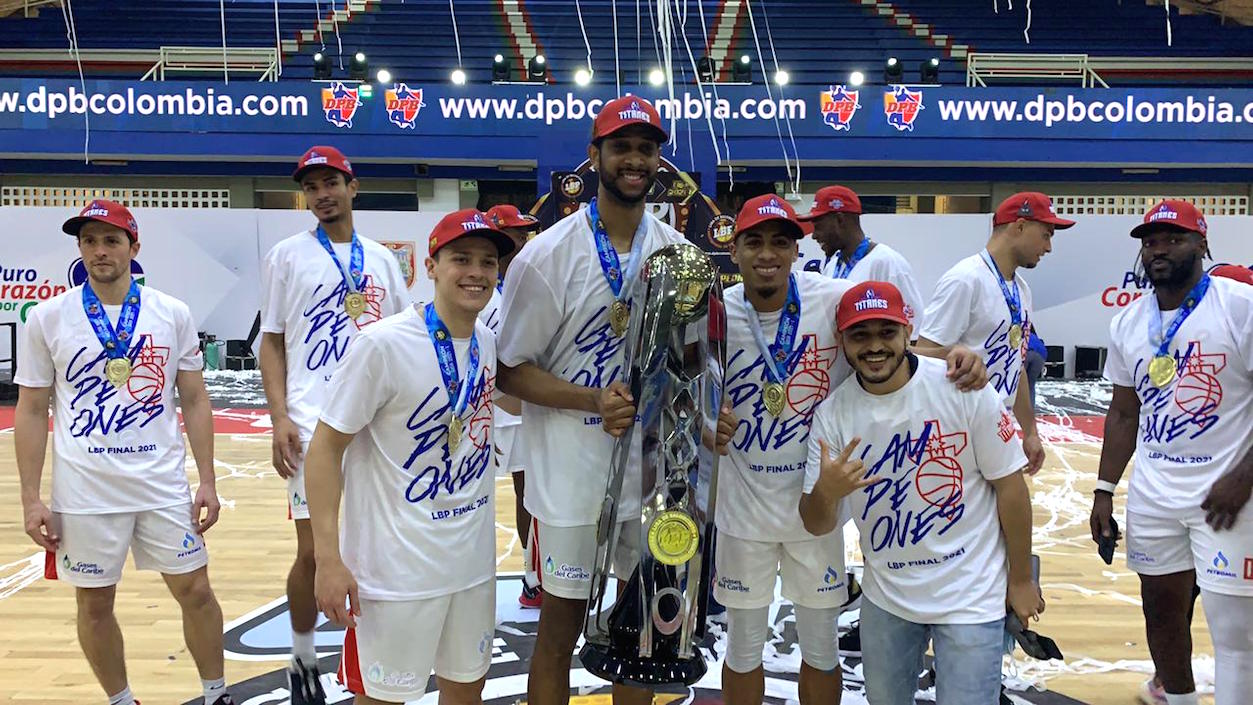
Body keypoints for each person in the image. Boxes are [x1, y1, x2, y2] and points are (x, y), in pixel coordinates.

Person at [717, 196, 989, 705]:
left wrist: (956, 354)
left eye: (781, 241)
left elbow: (888, 339)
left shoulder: (833, 298)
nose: (767, 253)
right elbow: (685, 386)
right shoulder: (715, 313)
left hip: (818, 508)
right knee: (743, 648)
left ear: (798, 249)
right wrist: (704, 424)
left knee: (821, 651)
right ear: (735, 251)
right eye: (754, 241)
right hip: (742, 510)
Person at [496, 95, 685, 705]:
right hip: (571, 477)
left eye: (646, 148)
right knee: (560, 628)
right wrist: (590, 399)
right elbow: (508, 371)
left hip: (649, 476)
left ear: (659, 161)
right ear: (594, 155)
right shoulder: (546, 255)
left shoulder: (675, 257)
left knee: (643, 635)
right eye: (621, 147)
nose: (635, 159)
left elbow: (684, 365)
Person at [16, 200, 233, 705]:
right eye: (89, 241)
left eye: (111, 240)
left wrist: (207, 480)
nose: (99, 251)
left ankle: (217, 693)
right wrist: (31, 498)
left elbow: (196, 400)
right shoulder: (48, 317)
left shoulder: (171, 312)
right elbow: (29, 411)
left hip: (159, 484)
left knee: (196, 593)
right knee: (94, 605)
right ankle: (120, 700)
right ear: (79, 249)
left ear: (134, 248)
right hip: (85, 489)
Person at [800, 281, 1043, 705]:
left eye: (886, 332)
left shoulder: (961, 387)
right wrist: (827, 491)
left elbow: (1010, 487)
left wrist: (1020, 579)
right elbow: (816, 522)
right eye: (860, 335)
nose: (874, 346)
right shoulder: (833, 415)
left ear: (907, 330)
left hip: (971, 591)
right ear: (841, 341)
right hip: (888, 595)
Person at [306, 209, 513, 705]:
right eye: (461, 258)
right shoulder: (382, 344)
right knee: (381, 698)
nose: (476, 273)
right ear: (431, 264)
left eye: (488, 262)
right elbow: (324, 449)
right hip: (394, 575)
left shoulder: (486, 342)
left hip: (470, 567)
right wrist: (328, 560)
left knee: (467, 690)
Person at [258, 145, 412, 704]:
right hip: (312, 424)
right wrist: (279, 418)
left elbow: (403, 342)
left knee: (376, 545)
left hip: (376, 427)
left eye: (331, 183)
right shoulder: (286, 256)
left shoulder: (383, 259)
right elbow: (271, 341)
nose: (322, 194)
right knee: (314, 552)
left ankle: (377, 652)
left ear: (353, 187)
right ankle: (302, 659)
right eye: (312, 186)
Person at [1090, 200, 1253, 705]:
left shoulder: (1238, 305)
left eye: (1173, 238)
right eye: (1150, 240)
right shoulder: (1129, 323)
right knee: (1160, 614)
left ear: (1202, 244)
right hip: (1155, 495)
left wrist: (1244, 478)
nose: (1158, 249)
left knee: (1235, 635)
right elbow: (1122, 413)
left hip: (1229, 495)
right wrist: (1103, 491)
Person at [918, 191, 1075, 475]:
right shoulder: (965, 279)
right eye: (1046, 234)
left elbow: (1018, 367)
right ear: (1019, 226)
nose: (1049, 247)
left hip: (997, 425)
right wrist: (960, 356)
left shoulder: (1022, 290)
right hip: (956, 428)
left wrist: (1029, 431)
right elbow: (920, 359)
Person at [484, 203, 544, 607]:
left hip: (520, 410)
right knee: (471, 499)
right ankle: (471, 581)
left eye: (525, 235)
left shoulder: (525, 288)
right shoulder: (477, 289)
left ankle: (532, 576)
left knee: (530, 495)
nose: (523, 243)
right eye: (515, 236)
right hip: (481, 414)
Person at [797, 185, 924, 331]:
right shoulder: (833, 265)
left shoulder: (888, 263)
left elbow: (912, 331)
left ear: (840, 220)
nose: (814, 235)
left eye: (818, 227)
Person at [1024, 328, 1047, 409]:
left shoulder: (1016, 333)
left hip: (1026, 352)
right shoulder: (1033, 336)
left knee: (1018, 383)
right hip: (1041, 354)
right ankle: (1030, 412)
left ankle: (1014, 411)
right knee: (1030, 385)